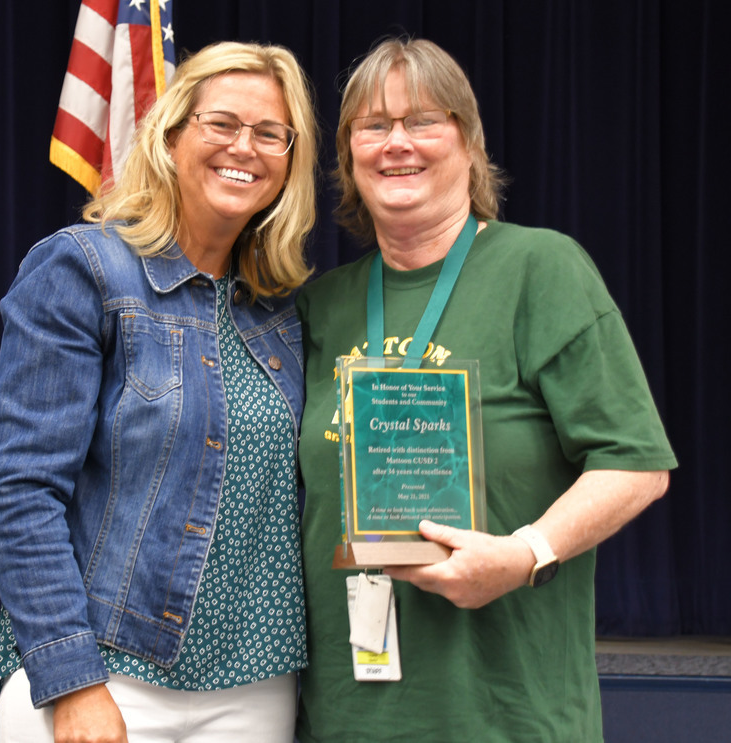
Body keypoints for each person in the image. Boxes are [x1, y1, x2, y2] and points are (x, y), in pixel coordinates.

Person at [295, 38, 676, 742]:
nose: (396, 143)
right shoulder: (322, 307)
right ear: (347, 156)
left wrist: (525, 553)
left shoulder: (542, 268)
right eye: (372, 127)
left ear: (469, 144)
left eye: (424, 121)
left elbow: (636, 464)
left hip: (507, 714)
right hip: (347, 717)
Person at [0, 40, 317, 743]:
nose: (244, 147)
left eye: (269, 133)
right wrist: (72, 681)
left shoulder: (280, 310)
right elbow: (20, 493)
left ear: (290, 160)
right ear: (170, 136)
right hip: (103, 672)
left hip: (254, 687)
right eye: (221, 123)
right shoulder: (84, 270)